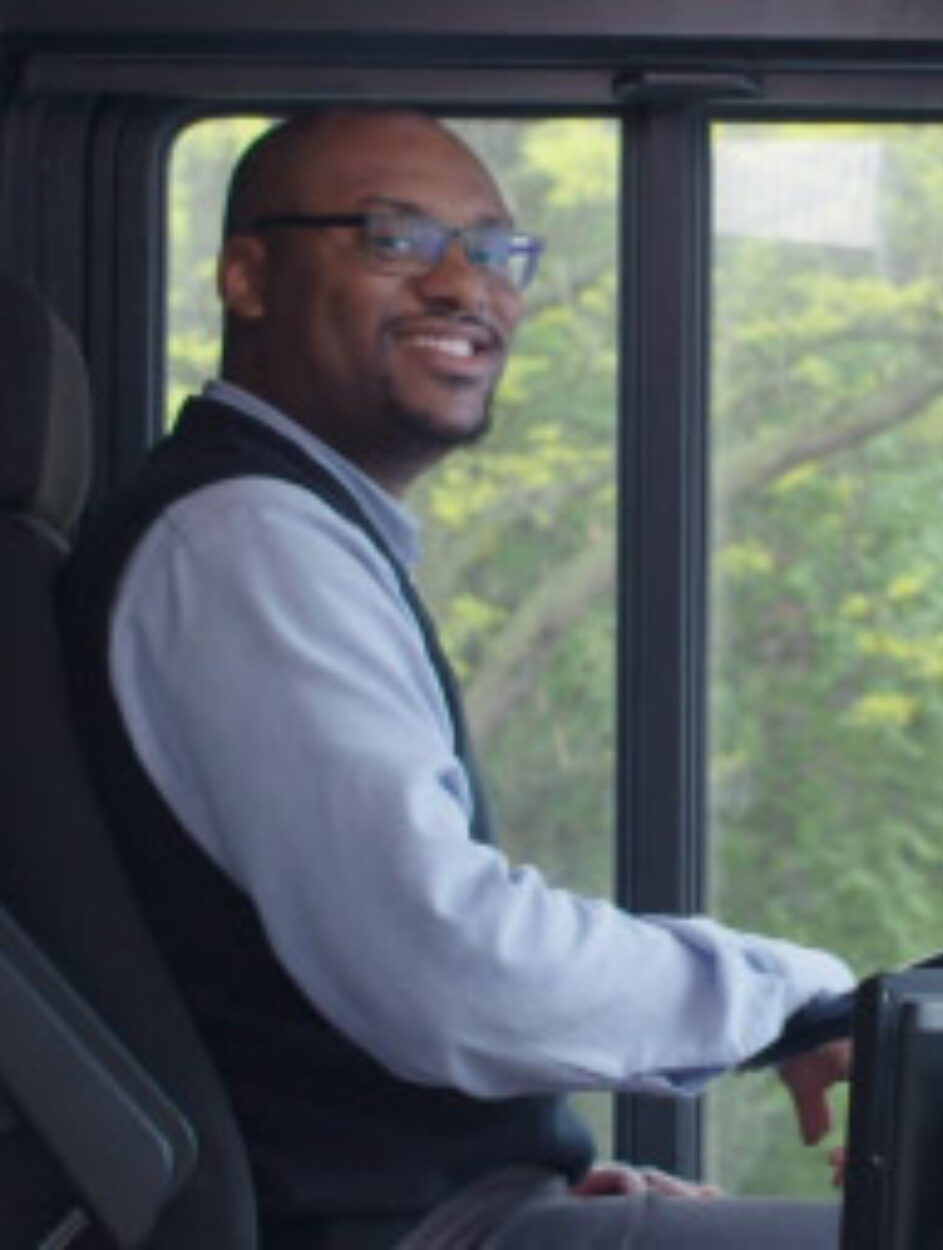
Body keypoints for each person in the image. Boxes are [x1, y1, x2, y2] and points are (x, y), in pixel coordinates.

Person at [59, 107, 854, 1248]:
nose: (461, 285)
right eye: (396, 239)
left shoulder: (283, 533)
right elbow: (448, 964)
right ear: (248, 274)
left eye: (493, 251)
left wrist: (543, 1166)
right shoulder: (246, 543)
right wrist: (789, 992)